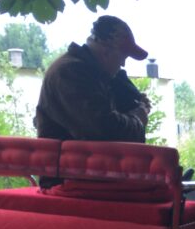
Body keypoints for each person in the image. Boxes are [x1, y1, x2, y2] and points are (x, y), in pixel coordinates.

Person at [35, 15, 151, 143]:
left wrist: (136, 105)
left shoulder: (94, 75)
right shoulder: (71, 72)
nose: (122, 64)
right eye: (123, 57)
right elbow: (104, 130)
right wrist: (138, 120)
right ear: (106, 51)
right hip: (70, 161)